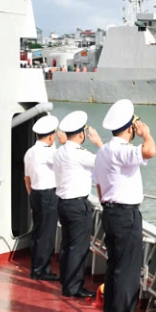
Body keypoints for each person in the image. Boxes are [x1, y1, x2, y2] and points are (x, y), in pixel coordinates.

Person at [94, 100, 156, 312]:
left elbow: (100, 187)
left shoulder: (102, 151)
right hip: (124, 214)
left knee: (114, 267)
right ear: (130, 127)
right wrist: (147, 134)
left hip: (109, 212)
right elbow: (150, 150)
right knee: (127, 269)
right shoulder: (121, 150)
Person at [53, 111, 103, 299]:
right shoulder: (79, 154)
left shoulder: (59, 152)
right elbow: (105, 161)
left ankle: (67, 282)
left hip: (63, 204)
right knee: (79, 247)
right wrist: (98, 143)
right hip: (77, 205)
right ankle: (73, 287)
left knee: (67, 244)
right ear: (82, 134)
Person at [24, 115, 64, 281]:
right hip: (48, 195)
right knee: (46, 234)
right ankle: (41, 271)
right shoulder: (49, 153)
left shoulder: (30, 152)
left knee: (38, 232)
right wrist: (65, 144)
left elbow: (27, 178)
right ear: (50, 136)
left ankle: (37, 267)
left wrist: (32, 196)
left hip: (34, 193)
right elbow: (65, 160)